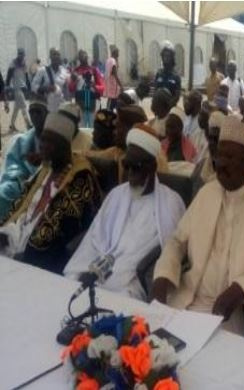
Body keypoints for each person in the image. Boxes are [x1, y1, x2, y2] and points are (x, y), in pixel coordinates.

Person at [152, 115, 244, 338]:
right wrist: (164, 273)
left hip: (235, 310)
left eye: (229, 156)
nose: (220, 163)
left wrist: (241, 287)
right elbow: (177, 241)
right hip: (191, 298)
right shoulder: (207, 192)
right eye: (219, 155)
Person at [64, 126, 185, 300]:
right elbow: (94, 237)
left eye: (135, 167)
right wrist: (85, 270)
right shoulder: (116, 194)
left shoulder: (170, 202)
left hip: (131, 280)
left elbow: (171, 250)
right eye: (126, 165)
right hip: (96, 267)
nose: (129, 173)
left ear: (152, 166)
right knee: (70, 288)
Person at [0, 111, 101, 273]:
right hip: (16, 243)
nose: (42, 145)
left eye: (49, 141)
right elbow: (21, 209)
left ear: (64, 145)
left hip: (43, 259)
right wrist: (6, 232)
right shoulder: (47, 168)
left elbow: (63, 229)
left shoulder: (80, 176)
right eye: (42, 139)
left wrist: (25, 254)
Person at [0, 101, 48, 219]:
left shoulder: (54, 139)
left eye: (38, 112)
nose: (35, 116)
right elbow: (13, 164)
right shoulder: (22, 140)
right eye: (32, 112)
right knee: (3, 193)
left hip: (45, 181)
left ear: (47, 114)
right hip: (21, 181)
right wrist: (20, 178)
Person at [86, 104, 148, 183]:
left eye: (118, 127)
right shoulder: (119, 151)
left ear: (131, 130)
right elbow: (96, 155)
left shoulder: (145, 161)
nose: (114, 132)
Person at [68, 50, 105, 128]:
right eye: (81, 57)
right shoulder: (75, 71)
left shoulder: (94, 70)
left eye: (85, 56)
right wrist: (75, 81)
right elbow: (71, 88)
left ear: (87, 57)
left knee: (92, 128)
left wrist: (94, 86)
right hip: (80, 105)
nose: (84, 58)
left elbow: (102, 87)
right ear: (79, 58)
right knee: (82, 129)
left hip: (92, 104)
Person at [191, 110, 224, 196]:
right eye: (210, 138)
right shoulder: (200, 167)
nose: (212, 143)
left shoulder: (234, 173)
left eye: (216, 139)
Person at [31, 48, 69, 113]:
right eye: (54, 54)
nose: (56, 56)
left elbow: (67, 89)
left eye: (58, 54)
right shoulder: (43, 70)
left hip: (61, 108)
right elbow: (33, 86)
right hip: (46, 108)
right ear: (50, 57)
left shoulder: (64, 71)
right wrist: (46, 88)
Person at [6, 48, 32, 132]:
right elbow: (8, 76)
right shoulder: (13, 63)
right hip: (16, 88)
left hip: (22, 87)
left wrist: (29, 87)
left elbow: (26, 76)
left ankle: (12, 125)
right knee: (24, 106)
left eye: (22, 54)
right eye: (20, 54)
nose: (21, 56)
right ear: (18, 54)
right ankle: (28, 125)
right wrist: (7, 88)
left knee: (16, 108)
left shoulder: (24, 63)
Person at [154, 41, 182, 106]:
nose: (165, 58)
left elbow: (177, 96)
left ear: (172, 58)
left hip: (170, 109)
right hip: (159, 109)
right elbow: (155, 92)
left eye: (168, 56)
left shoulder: (176, 76)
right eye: (164, 56)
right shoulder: (159, 73)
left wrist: (168, 106)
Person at [183, 90, 205, 160]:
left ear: (197, 104)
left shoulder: (202, 122)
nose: (186, 104)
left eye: (189, 101)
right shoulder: (186, 118)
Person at [104, 45, 123, 111]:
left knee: (111, 101)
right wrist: (121, 85)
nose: (118, 54)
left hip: (109, 84)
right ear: (114, 52)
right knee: (112, 102)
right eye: (118, 52)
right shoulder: (113, 61)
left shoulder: (108, 60)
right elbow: (115, 74)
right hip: (113, 85)